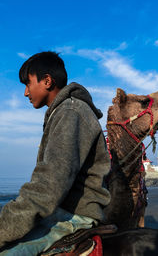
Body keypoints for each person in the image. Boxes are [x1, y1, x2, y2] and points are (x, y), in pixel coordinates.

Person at [0, 52, 111, 255]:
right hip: (62, 210)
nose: (25, 92)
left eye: (28, 83)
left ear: (47, 81)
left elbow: (49, 186)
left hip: (74, 216)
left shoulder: (70, 113)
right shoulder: (63, 113)